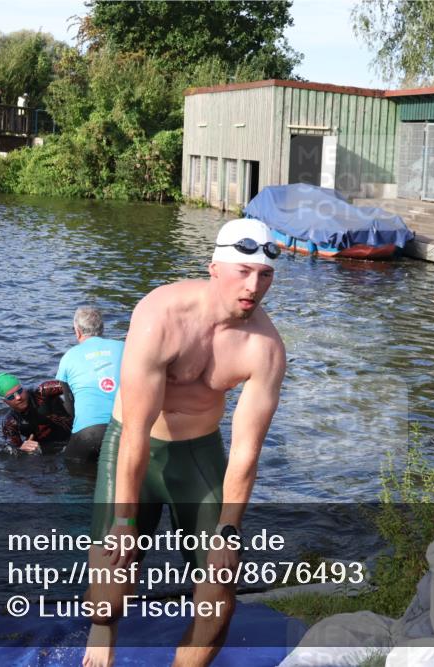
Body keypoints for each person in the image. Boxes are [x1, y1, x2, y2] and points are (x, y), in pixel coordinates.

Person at [82, 218, 286, 667]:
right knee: (110, 588)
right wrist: (123, 521)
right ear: (214, 268)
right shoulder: (161, 314)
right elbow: (136, 428)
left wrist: (230, 531)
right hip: (133, 445)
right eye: (243, 272)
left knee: (219, 594)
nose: (254, 287)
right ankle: (103, 629)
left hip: (198, 455)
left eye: (265, 275)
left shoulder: (265, 349)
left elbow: (246, 454)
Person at [55, 306, 124, 463]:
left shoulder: (68, 357)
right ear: (102, 328)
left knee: (76, 478)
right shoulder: (124, 347)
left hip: (87, 434)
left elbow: (70, 407)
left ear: (77, 331)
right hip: (122, 430)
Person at [0, 373, 74, 454]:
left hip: (72, 435)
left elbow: (75, 384)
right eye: (11, 397)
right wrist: (21, 448)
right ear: (5, 402)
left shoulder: (42, 392)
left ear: (24, 388)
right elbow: (12, 449)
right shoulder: (10, 422)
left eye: (19, 391)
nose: (18, 397)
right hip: (48, 452)